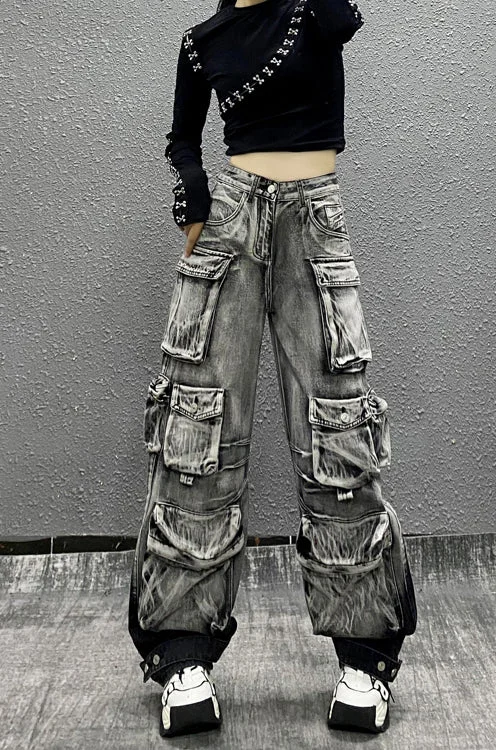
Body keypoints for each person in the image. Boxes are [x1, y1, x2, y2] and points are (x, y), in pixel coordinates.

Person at [127, 0, 418, 738]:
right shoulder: (203, 42)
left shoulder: (314, 13)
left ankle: (364, 656)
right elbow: (182, 137)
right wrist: (194, 197)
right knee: (197, 427)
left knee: (336, 425)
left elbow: (345, 18)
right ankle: (183, 657)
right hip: (229, 222)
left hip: (313, 217)